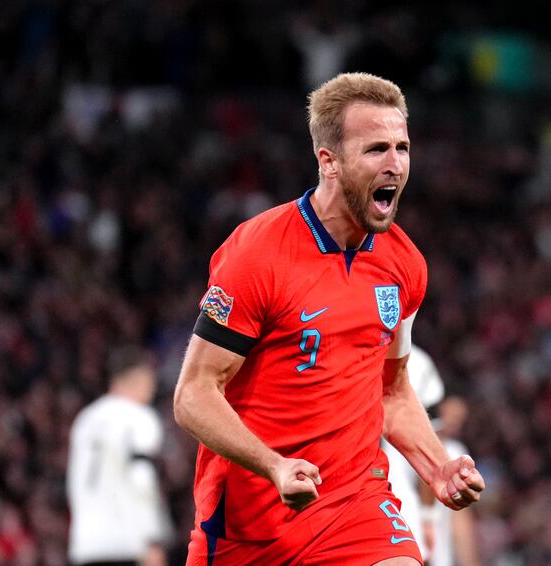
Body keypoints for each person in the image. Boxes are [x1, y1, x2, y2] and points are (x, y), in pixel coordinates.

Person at [173, 72, 485, 566]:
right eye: (376, 149)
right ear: (330, 161)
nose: (396, 165)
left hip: (356, 508)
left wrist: (438, 467)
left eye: (402, 148)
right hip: (250, 526)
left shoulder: (404, 266)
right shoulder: (257, 255)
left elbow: (392, 391)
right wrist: (273, 466)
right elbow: (193, 395)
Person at [67, 346, 172, 566]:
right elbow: (141, 475)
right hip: (128, 543)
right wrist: (152, 539)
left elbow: (74, 484)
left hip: (86, 544)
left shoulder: (84, 420)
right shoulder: (139, 417)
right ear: (139, 377)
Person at [383, 347, 481, 566]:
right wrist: (427, 518)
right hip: (410, 540)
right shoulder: (417, 362)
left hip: (405, 542)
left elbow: (460, 522)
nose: (451, 426)